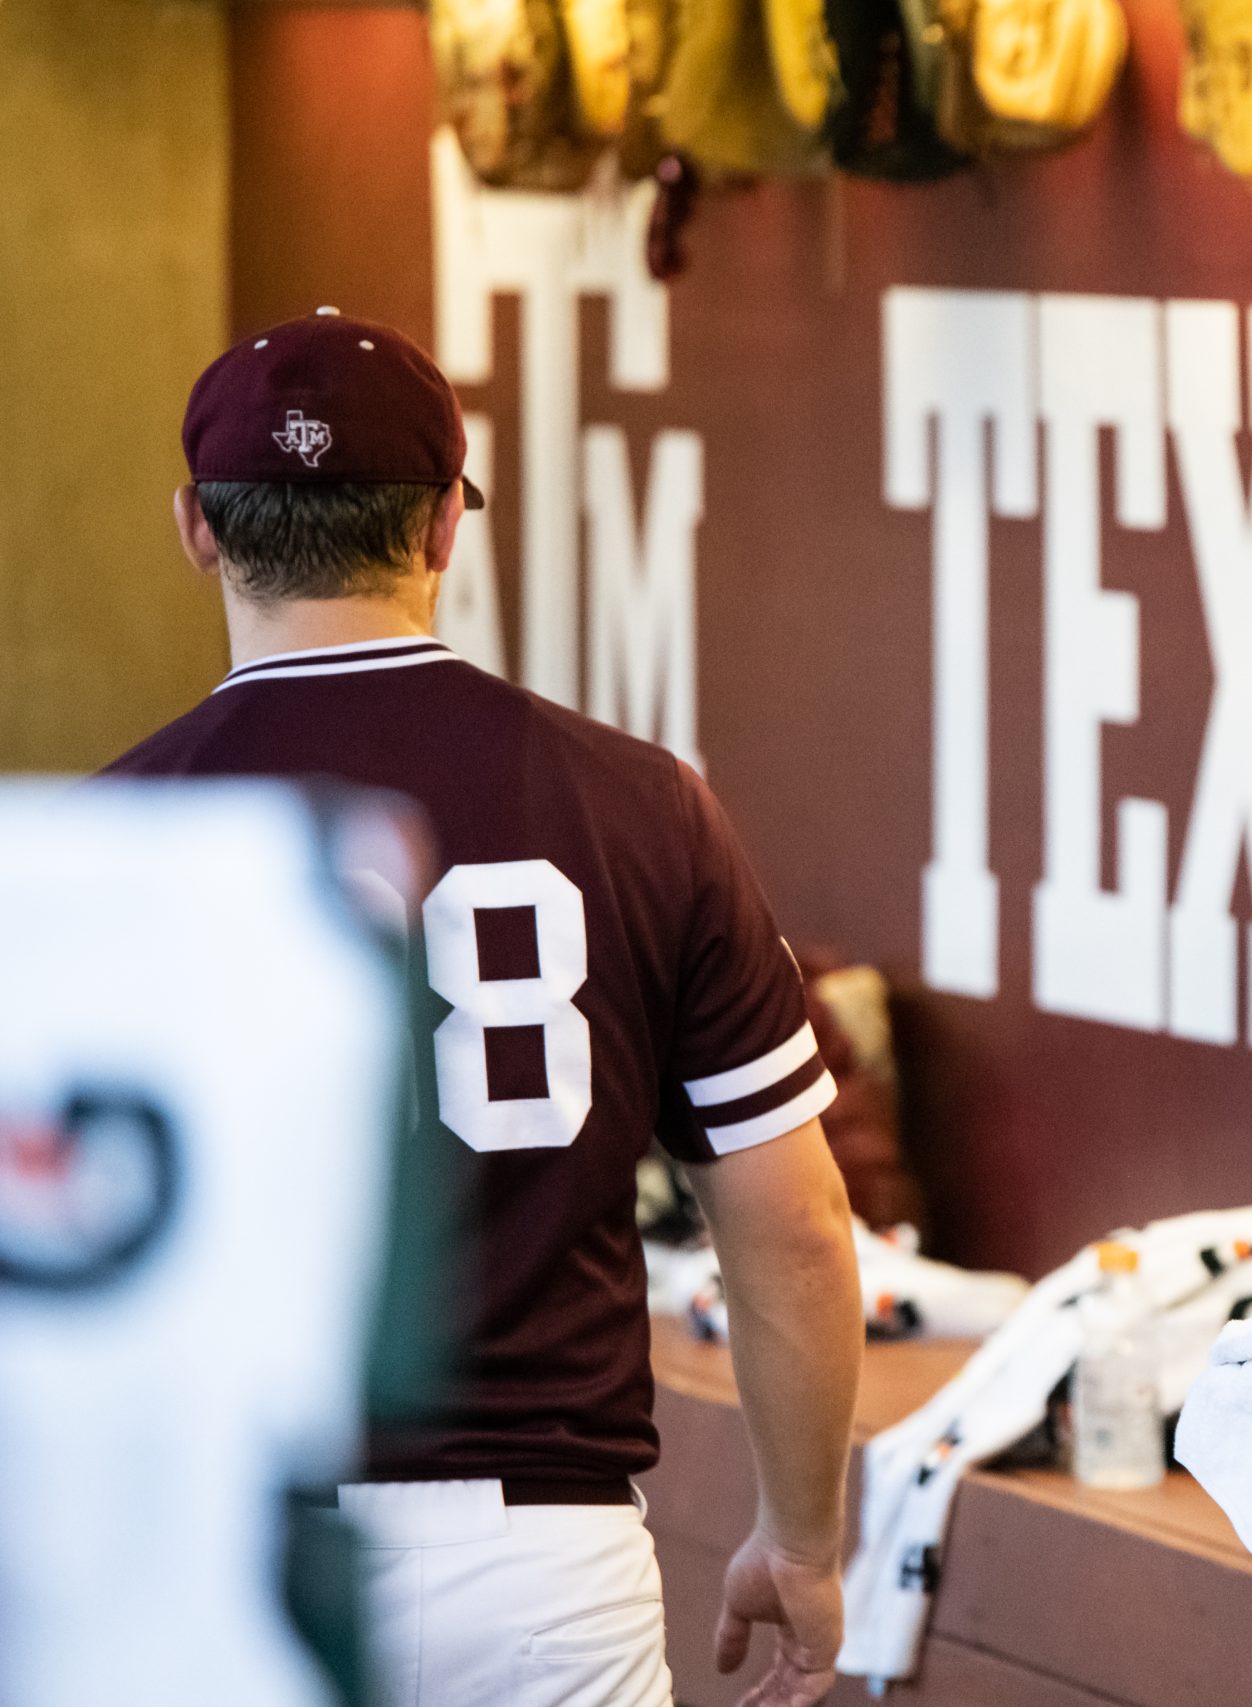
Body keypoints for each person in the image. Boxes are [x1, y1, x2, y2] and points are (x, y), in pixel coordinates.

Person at [103, 309, 864, 1707]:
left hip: (224, 1554)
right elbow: (800, 1226)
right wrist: (802, 1537)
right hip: (541, 1572)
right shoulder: (644, 804)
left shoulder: (112, 842)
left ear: (198, 528)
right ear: (449, 522)